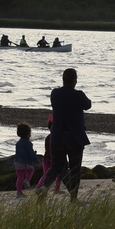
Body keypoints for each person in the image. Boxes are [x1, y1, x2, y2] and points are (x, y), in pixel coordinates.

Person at [45, 68, 92, 199]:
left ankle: (44, 186)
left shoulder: (55, 93)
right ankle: (73, 196)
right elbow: (88, 105)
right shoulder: (78, 95)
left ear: (63, 79)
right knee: (75, 167)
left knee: (56, 166)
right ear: (75, 80)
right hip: (74, 135)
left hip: (57, 134)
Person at [13, 123, 41, 195]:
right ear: (28, 134)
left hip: (17, 162)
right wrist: (37, 161)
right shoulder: (28, 143)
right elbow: (31, 153)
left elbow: (18, 153)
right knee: (31, 169)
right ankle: (27, 180)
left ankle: (19, 192)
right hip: (25, 163)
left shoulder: (18, 143)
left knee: (19, 177)